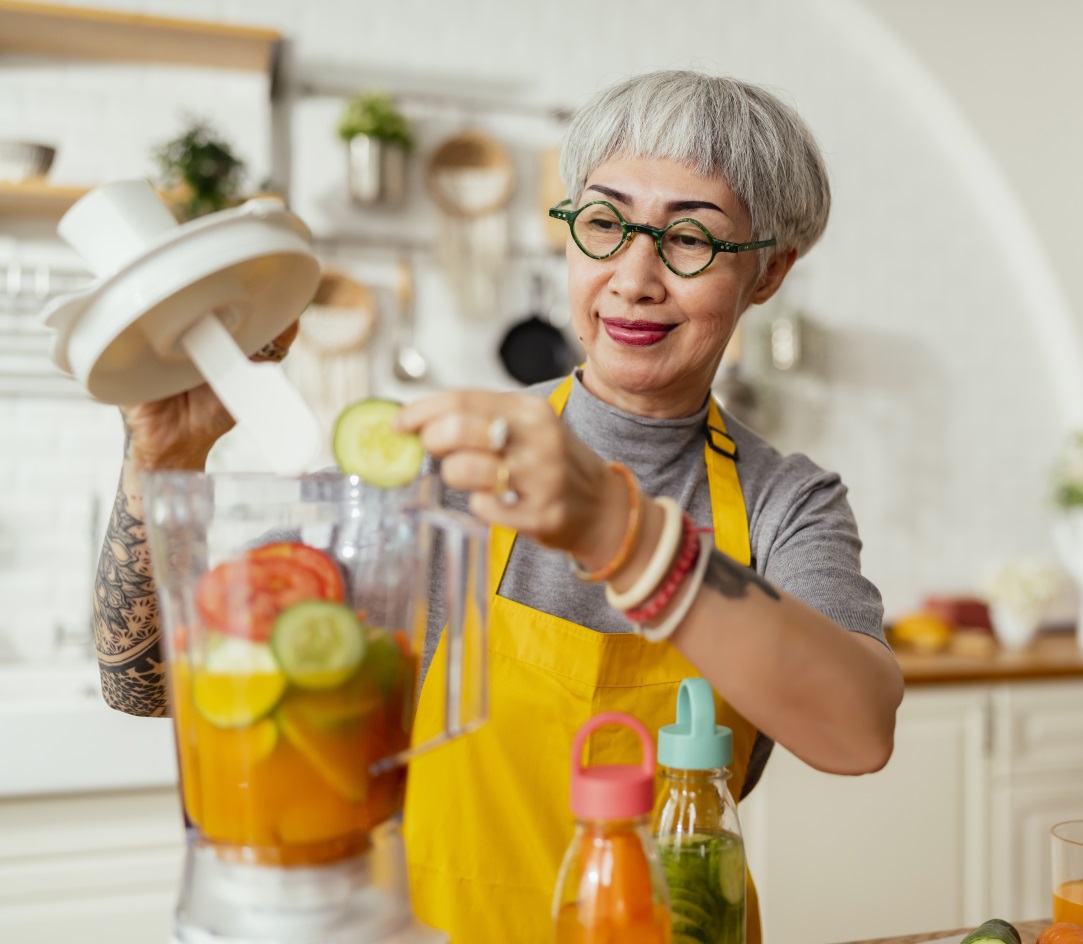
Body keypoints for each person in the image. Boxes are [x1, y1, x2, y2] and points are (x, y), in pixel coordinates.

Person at [94, 69, 902, 943]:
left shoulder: (786, 502)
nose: (633, 278)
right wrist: (162, 461)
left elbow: (857, 730)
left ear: (770, 272)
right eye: (603, 224)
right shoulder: (446, 460)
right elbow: (143, 684)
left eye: (692, 240)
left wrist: (624, 538)